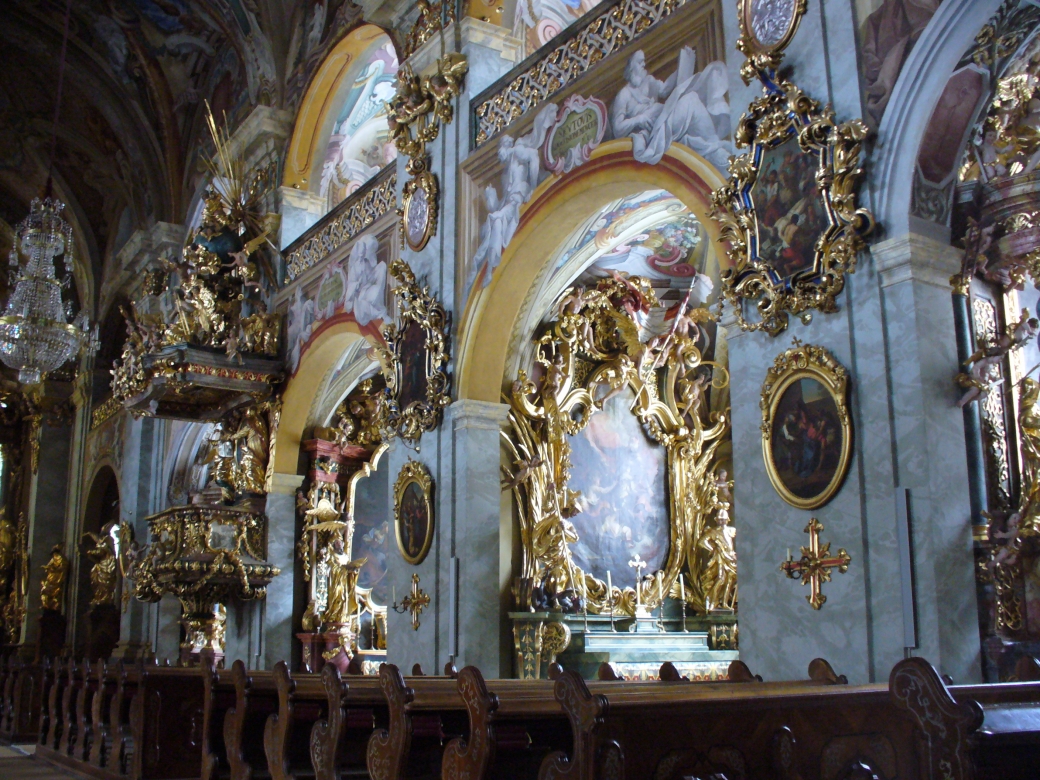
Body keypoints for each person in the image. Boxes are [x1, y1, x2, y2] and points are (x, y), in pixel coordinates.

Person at [611, 47, 734, 170]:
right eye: (640, 62)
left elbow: (665, 89)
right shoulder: (624, 94)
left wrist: (683, 63)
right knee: (691, 99)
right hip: (656, 131)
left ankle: (712, 147)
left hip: (665, 119)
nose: (644, 64)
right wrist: (639, 119)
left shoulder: (648, 81)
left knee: (693, 98)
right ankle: (714, 149)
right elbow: (617, 128)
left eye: (643, 61)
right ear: (630, 67)